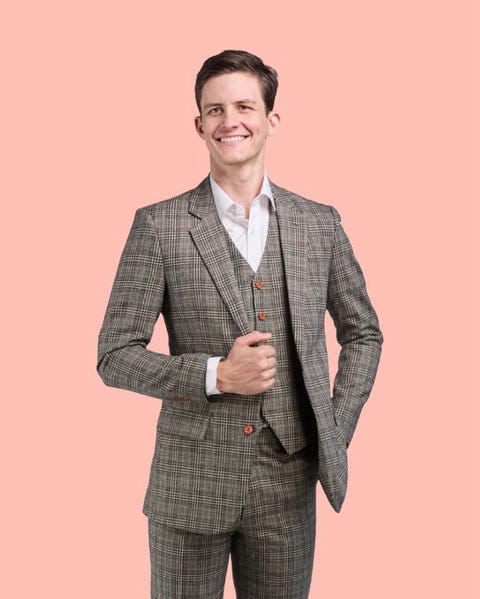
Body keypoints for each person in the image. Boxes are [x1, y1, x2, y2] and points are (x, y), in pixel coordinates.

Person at [97, 49, 383, 599]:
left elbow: (364, 333)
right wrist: (215, 375)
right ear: (199, 124)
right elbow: (114, 356)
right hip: (190, 485)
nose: (231, 121)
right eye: (216, 109)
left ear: (271, 119)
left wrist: (332, 428)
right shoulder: (158, 225)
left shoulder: (318, 223)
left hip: (288, 486)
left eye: (245, 106)